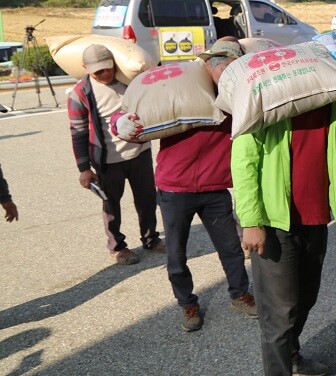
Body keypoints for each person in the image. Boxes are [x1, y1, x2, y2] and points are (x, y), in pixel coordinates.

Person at [232, 69, 336, 376]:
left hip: (316, 218)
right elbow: (244, 163)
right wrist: (251, 221)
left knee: (306, 297)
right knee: (279, 313)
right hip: (275, 223)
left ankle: (292, 357)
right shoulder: (268, 104)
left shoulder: (330, 102)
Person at [113, 40, 256, 332]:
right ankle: (186, 303)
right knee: (177, 253)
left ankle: (240, 293)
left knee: (230, 247)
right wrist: (120, 123)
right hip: (175, 188)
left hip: (215, 188)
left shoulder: (238, 96)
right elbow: (132, 115)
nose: (222, 69)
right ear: (207, 65)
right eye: (217, 62)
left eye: (229, 62)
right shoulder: (181, 91)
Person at [68, 44, 162, 265]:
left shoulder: (129, 80)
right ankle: (117, 247)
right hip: (107, 160)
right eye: (98, 71)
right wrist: (84, 169)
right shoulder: (81, 92)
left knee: (147, 199)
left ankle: (150, 238)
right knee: (111, 205)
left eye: (107, 68)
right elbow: (77, 132)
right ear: (85, 68)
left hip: (139, 153)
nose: (104, 74)